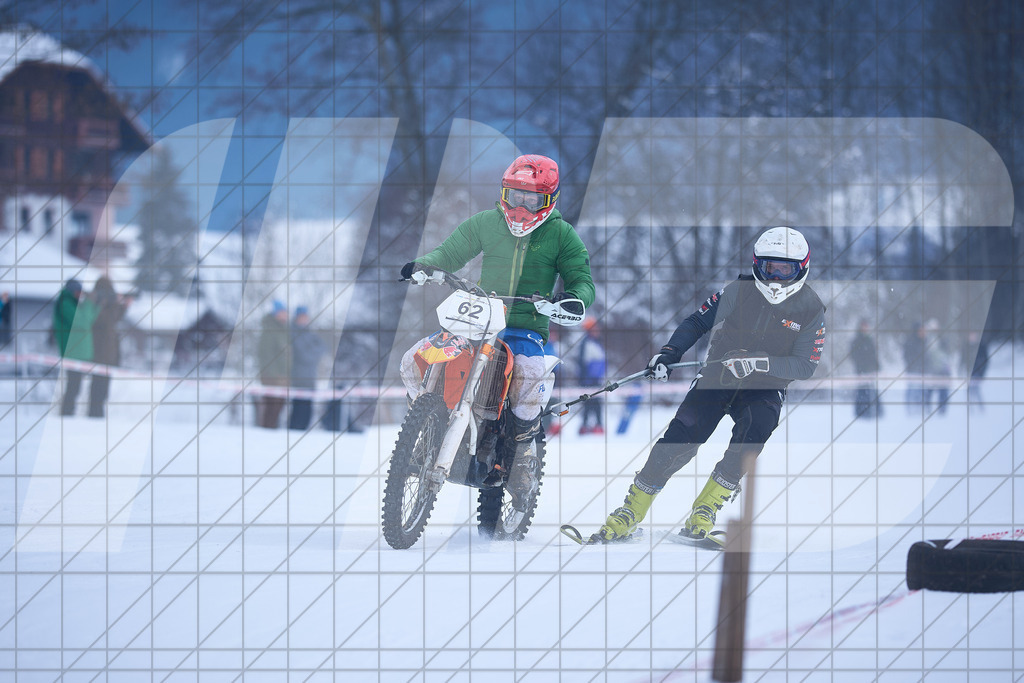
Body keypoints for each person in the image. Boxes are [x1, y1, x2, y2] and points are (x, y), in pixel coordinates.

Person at [591, 227, 826, 545]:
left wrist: (758, 362)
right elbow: (696, 322)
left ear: (802, 268)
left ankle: (704, 510)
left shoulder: (811, 308)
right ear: (758, 265)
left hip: (766, 387)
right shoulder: (739, 291)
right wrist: (669, 353)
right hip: (718, 377)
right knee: (680, 438)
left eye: (786, 269)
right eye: (770, 267)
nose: (776, 276)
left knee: (753, 435)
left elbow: (805, 365)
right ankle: (629, 511)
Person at [400, 154, 595, 511]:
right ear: (504, 193)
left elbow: (583, 281)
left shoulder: (562, 235)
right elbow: (451, 252)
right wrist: (426, 265)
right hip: (477, 319)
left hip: (524, 326)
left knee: (531, 373)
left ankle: (522, 458)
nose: (520, 207)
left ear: (548, 201)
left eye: (531, 199)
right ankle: (425, 426)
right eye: (515, 195)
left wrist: (571, 299)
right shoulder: (487, 222)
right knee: (414, 360)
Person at [53, 278, 99, 416]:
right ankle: (66, 414)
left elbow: (89, 319)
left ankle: (67, 413)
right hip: (73, 352)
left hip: (78, 352)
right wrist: (90, 302)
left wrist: (97, 305)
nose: (81, 295)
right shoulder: (65, 303)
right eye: (78, 291)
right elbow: (83, 323)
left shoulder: (73, 303)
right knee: (73, 387)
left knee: (75, 386)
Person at [88, 276, 131, 418]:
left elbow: (115, 318)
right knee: (97, 390)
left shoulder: (106, 306)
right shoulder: (95, 305)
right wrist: (109, 303)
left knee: (103, 391)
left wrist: (123, 305)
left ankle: (97, 417)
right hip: (99, 354)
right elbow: (105, 319)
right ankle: (93, 417)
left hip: (110, 355)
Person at [288, 306, 328, 430]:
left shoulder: (309, 333)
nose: (304, 320)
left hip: (310, 377)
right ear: (297, 318)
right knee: (299, 410)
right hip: (298, 377)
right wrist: (314, 353)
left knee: (308, 411)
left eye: (306, 317)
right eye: (302, 317)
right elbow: (304, 356)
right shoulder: (293, 333)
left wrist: (313, 352)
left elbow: (323, 347)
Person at [256, 300, 290, 429]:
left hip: (283, 374)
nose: (285, 315)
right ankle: (266, 430)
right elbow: (265, 353)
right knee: (272, 405)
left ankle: (271, 429)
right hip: (272, 375)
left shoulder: (283, 330)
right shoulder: (270, 329)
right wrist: (273, 373)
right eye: (282, 312)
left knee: (279, 405)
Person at [577, 317, 607, 435]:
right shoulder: (586, 343)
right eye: (594, 328)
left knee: (597, 403)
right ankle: (585, 426)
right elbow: (583, 363)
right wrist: (585, 380)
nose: (597, 330)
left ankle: (598, 425)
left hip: (596, 379)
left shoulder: (596, 342)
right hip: (589, 380)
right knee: (588, 404)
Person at [849, 318, 881, 419]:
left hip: (870, 371)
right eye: (864, 326)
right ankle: (861, 413)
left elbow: (873, 355)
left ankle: (876, 412)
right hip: (861, 371)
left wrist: (877, 366)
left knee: (872, 391)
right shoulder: (856, 340)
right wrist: (861, 364)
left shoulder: (869, 340)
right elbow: (853, 355)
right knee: (862, 392)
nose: (866, 328)